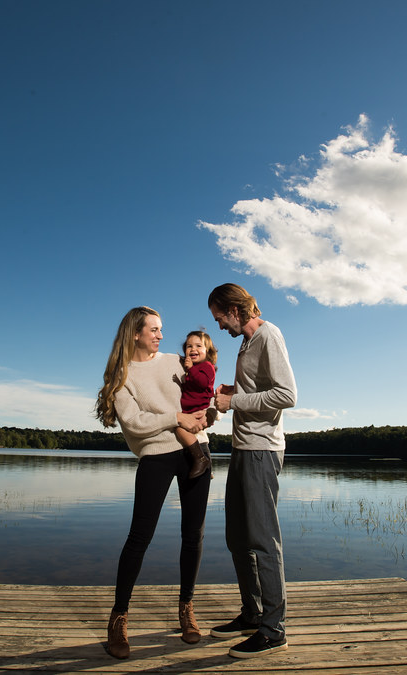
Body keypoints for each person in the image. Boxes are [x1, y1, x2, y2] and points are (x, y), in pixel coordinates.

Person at [95, 306, 213, 660]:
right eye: (155, 329)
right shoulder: (122, 376)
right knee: (139, 537)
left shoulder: (178, 362)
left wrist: (206, 416)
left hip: (197, 453)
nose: (161, 335)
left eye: (162, 329)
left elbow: (202, 397)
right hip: (155, 457)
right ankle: (118, 618)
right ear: (135, 333)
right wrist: (175, 417)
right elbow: (135, 423)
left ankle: (186, 608)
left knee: (193, 535)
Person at [206, 283, 297, 659]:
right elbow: (256, 390)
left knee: (263, 540)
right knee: (237, 537)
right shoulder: (245, 344)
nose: (219, 326)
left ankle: (274, 630)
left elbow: (287, 394)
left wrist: (235, 399)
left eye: (219, 317)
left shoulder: (268, 335)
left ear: (234, 309)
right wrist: (235, 389)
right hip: (243, 448)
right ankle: (252, 613)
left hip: (262, 450)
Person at [174, 331, 216, 479]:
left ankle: (201, 459)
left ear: (207, 351)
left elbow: (203, 383)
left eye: (199, 346)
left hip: (198, 411)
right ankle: (207, 466)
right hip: (189, 411)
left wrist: (190, 369)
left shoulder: (207, 366)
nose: (193, 349)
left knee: (179, 429)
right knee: (192, 436)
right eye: (189, 346)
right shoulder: (192, 370)